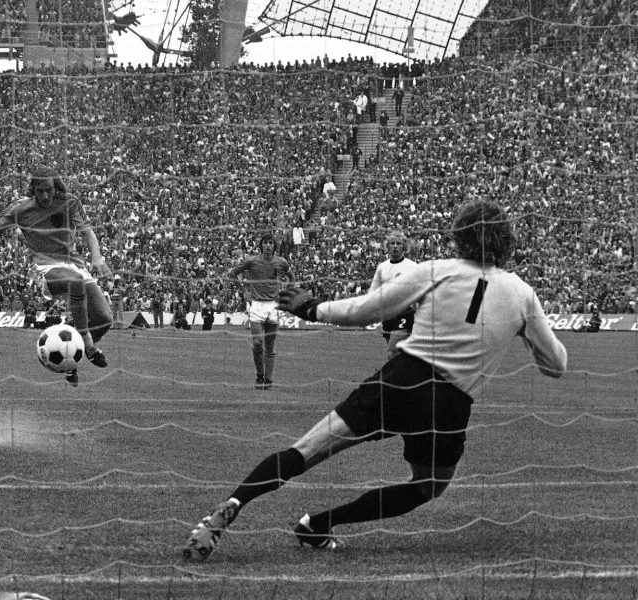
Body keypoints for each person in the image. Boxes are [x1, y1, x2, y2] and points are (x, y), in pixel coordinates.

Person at [185, 199, 567, 559]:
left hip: (401, 379)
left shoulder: (436, 269)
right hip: (449, 405)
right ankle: (318, 524)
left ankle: (233, 504)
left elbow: (366, 309)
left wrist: (312, 308)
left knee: (307, 450)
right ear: (507, 242)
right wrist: (523, 333)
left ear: (459, 235)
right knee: (426, 486)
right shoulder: (522, 294)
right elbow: (556, 364)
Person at [0, 167, 113, 386]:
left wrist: (97, 257)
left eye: (49, 190)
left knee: (104, 320)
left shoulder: (69, 201)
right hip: (43, 266)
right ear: (33, 189)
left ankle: (71, 359)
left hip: (75, 264)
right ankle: (88, 345)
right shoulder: (20, 209)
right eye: (40, 191)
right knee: (74, 282)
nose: (45, 196)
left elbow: (88, 230)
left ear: (56, 186)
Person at [226, 233, 293, 390]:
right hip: (256, 305)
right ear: (261, 245)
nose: (268, 245)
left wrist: (287, 293)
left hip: (274, 305)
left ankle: (268, 380)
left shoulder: (281, 262)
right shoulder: (252, 261)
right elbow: (232, 274)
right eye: (265, 243)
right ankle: (259, 376)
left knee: (270, 344)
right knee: (257, 343)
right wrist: (243, 291)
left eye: (271, 243)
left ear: (274, 246)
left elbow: (291, 276)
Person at [370, 230, 419, 359]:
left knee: (392, 352)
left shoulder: (412, 266)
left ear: (404, 246)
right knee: (400, 355)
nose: (395, 246)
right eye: (392, 243)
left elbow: (420, 290)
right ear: (387, 247)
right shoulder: (382, 267)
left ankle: (393, 378)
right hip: (387, 313)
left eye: (398, 243)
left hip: (404, 312)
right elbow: (373, 291)